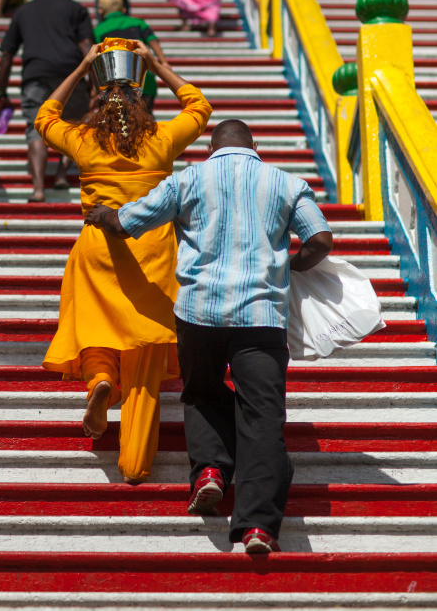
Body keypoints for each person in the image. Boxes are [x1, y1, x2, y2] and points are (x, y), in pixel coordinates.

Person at [85, 119, 333, 552]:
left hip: (199, 313)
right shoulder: (287, 183)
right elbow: (321, 240)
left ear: (211, 147)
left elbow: (129, 222)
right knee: (262, 418)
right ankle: (257, 527)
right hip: (261, 317)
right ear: (255, 144)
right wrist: (289, 267)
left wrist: (105, 214)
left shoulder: (189, 178)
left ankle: (211, 471)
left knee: (200, 392)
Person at [33, 38, 212, 484]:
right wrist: (157, 63)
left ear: (98, 103)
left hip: (99, 250)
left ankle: (98, 380)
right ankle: (135, 463)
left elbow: (43, 117)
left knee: (95, 326)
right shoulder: (160, 141)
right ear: (142, 103)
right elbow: (199, 107)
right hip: (152, 252)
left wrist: (81, 66)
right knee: (145, 357)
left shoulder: (84, 141)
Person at [0, 0, 94, 202]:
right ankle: (62, 174)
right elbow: (86, 46)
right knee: (73, 127)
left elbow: (7, 54)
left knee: (35, 130)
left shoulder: (24, 11)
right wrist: (96, 82)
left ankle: (39, 188)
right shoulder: (77, 9)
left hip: (35, 76)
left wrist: (2, 93)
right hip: (70, 77)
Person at [94, 0, 171, 113]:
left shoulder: (99, 30)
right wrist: (164, 62)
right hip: (144, 77)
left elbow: (97, 57)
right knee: (146, 115)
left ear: (100, 11)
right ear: (123, 10)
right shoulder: (138, 23)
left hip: (116, 82)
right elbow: (152, 40)